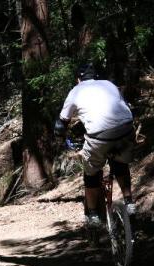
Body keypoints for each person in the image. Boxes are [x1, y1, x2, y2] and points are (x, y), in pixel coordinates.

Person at [54, 63, 136, 227]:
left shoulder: (75, 91)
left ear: (79, 79)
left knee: (91, 174)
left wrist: (61, 140)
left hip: (100, 138)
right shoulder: (109, 84)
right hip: (126, 129)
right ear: (96, 77)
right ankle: (129, 203)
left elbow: (61, 124)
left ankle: (92, 215)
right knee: (120, 164)